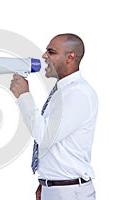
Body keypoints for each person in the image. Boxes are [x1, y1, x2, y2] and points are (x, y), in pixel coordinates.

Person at [10, 33, 98, 200]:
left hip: (69, 192)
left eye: (51, 52)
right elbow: (57, 141)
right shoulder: (63, 91)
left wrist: (24, 96)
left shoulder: (78, 94)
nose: (44, 56)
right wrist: (47, 181)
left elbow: (45, 137)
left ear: (70, 57)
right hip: (58, 189)